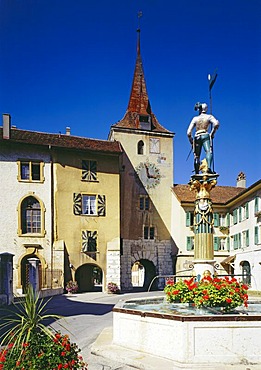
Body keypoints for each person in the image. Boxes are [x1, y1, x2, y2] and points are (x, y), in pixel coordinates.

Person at [187, 102, 219, 174]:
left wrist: (192, 141)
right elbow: (216, 123)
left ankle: (197, 172)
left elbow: (188, 133)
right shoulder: (209, 117)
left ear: (199, 109)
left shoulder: (195, 118)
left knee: (196, 155)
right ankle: (209, 168)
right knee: (208, 151)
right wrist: (212, 133)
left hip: (197, 136)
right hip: (205, 135)